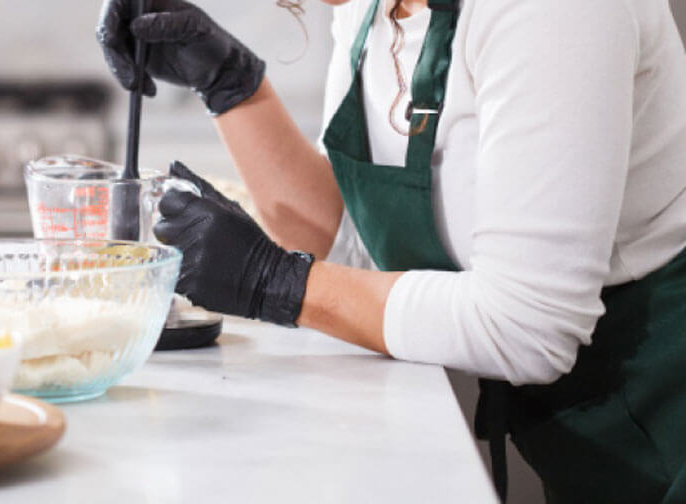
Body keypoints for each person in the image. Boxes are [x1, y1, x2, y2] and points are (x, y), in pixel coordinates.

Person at [96, 0, 686, 502]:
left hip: (661, 406)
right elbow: (345, 241)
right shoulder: (368, 8)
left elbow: (526, 326)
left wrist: (277, 283)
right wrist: (231, 85)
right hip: (583, 424)